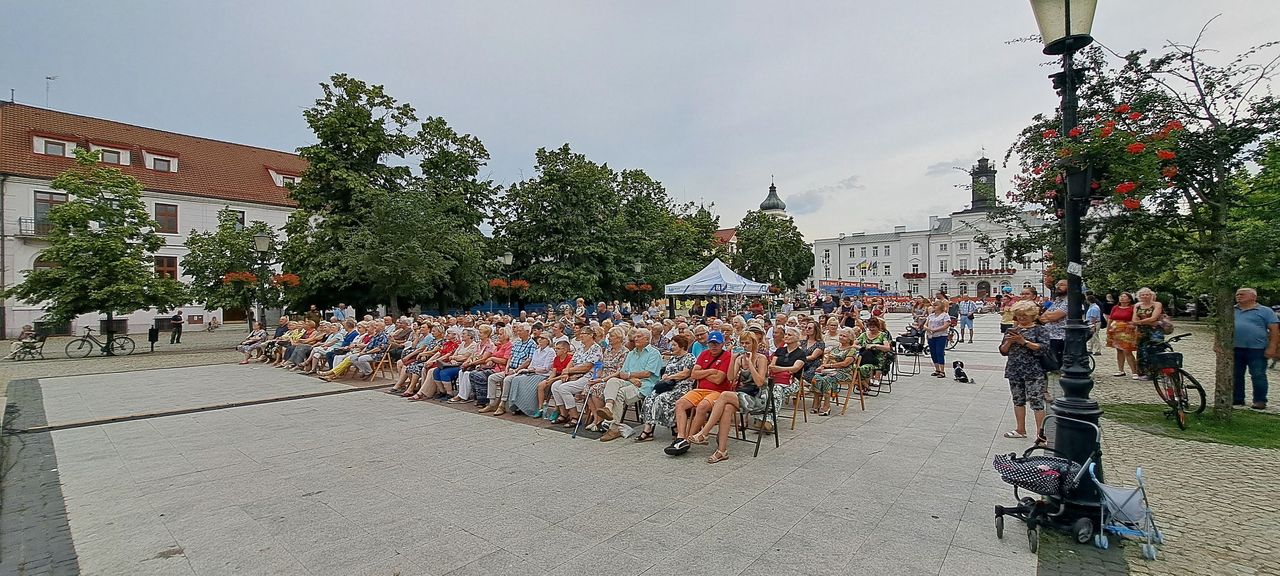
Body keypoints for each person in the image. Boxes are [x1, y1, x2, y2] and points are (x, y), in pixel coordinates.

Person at [664, 331, 732, 457]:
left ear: (722, 344)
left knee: (702, 406)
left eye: (716, 344)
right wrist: (711, 371)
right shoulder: (704, 354)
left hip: (718, 391)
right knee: (680, 404)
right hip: (699, 390)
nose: (714, 346)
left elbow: (719, 380)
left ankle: (689, 440)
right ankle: (680, 437)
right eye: (711, 343)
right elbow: (694, 375)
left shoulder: (727, 356)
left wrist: (703, 374)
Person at [595, 329, 665, 441]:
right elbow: (622, 373)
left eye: (639, 336)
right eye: (635, 337)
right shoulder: (631, 353)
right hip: (631, 381)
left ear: (647, 339)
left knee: (620, 393)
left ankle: (614, 428)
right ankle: (608, 408)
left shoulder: (654, 353)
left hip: (645, 385)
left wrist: (629, 376)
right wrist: (631, 378)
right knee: (612, 381)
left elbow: (647, 373)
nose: (635, 339)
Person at [1001, 300, 1050, 444]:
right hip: (1014, 369)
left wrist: (1024, 342)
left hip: (1033, 370)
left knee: (1036, 402)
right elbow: (1003, 351)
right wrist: (1009, 342)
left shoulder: (1039, 330)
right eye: (1018, 316)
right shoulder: (1012, 330)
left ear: (1033, 316)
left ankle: (1041, 435)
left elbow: (1043, 348)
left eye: (1024, 316)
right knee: (1018, 400)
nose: (1021, 318)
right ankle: (1020, 429)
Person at [1233, 288, 1279, 410]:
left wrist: (1272, 347)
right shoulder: (1232, 310)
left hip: (1257, 349)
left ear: (1253, 297)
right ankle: (1237, 398)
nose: (1238, 296)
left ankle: (1259, 400)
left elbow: (1274, 330)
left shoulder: (1265, 311)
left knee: (1258, 375)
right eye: (1237, 294)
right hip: (1235, 348)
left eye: (1242, 294)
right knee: (1236, 374)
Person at [811, 327, 857, 415]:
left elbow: (845, 364)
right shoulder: (835, 348)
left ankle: (826, 405)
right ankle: (816, 402)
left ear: (850, 339)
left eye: (844, 336)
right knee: (816, 377)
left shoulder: (852, 350)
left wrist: (829, 365)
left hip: (844, 372)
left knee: (827, 379)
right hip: (830, 370)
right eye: (840, 335)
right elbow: (826, 360)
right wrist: (822, 367)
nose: (841, 337)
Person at [1131, 287, 1165, 381]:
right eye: (1142, 295)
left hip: (1155, 332)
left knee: (1156, 350)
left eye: (1147, 294)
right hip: (1142, 331)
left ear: (1151, 295)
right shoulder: (1137, 305)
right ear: (1139, 296)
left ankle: (1159, 372)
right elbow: (1134, 320)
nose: (1145, 296)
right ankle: (1145, 372)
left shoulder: (1157, 304)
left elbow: (1154, 318)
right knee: (1142, 351)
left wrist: (1140, 321)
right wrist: (1145, 322)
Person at [1106, 292, 1139, 377]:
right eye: (1121, 296)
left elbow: (1134, 318)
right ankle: (1121, 370)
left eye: (1124, 297)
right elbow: (1110, 318)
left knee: (1127, 350)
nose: (1122, 298)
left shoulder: (1132, 308)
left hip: (1127, 330)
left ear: (1129, 299)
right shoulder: (1115, 307)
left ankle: (1134, 371)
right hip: (1115, 330)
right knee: (1119, 350)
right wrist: (1108, 329)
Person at [925, 300, 951, 378]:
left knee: (939, 352)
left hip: (941, 336)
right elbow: (925, 324)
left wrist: (935, 330)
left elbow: (946, 325)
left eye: (936, 305)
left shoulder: (944, 315)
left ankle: (942, 371)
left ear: (940, 307)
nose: (934, 307)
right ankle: (937, 369)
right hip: (931, 336)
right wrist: (927, 328)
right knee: (933, 353)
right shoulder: (931, 316)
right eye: (934, 305)